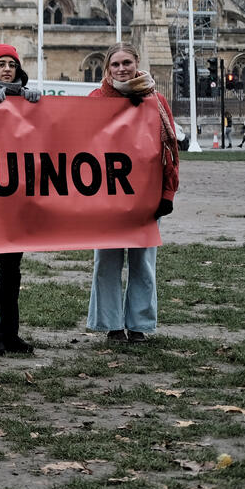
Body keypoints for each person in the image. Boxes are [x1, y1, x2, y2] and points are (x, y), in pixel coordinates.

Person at [87, 42, 179, 344]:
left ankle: (139, 324)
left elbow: (169, 151)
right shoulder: (96, 100)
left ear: (137, 63)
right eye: (115, 64)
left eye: (126, 62)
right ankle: (112, 325)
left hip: (145, 197)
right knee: (107, 263)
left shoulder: (156, 101)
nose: (122, 68)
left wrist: (167, 194)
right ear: (107, 69)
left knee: (143, 263)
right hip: (108, 198)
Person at [0, 44, 42, 356]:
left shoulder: (25, 99)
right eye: (1, 64)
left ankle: (10, 333)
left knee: (12, 268)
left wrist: (35, 106)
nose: (7, 70)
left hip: (16, 195)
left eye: (11, 64)